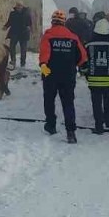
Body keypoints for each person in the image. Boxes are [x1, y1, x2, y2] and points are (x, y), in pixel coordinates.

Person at [39, 9, 87, 144]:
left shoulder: (48, 36)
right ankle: (71, 132)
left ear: (53, 22)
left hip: (50, 74)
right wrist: (72, 65)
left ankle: (51, 125)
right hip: (68, 76)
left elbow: (44, 56)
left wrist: (45, 69)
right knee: (68, 103)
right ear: (64, 22)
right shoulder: (73, 37)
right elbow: (83, 57)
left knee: (49, 100)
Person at [2, 2, 32, 69]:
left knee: (23, 49)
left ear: (22, 6)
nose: (18, 7)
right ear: (16, 6)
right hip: (14, 33)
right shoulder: (12, 13)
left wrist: (28, 28)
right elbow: (9, 21)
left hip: (23, 34)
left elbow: (30, 23)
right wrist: (5, 26)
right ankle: (13, 61)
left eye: (20, 6)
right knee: (12, 47)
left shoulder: (26, 13)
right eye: (17, 6)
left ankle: (23, 63)